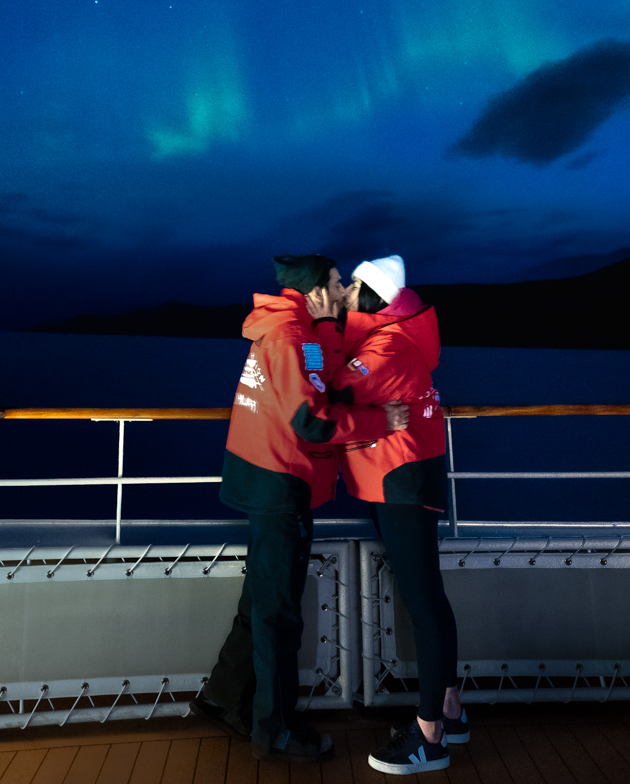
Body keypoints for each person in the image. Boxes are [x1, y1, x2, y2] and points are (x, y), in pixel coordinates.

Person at [192, 254, 409, 764]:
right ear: (314, 292)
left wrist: (333, 329)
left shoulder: (291, 329)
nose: (341, 290)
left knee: (261, 600)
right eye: (336, 284)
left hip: (264, 474)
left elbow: (320, 376)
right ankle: (277, 732)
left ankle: (223, 698)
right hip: (279, 482)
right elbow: (311, 419)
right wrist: (382, 421)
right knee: (279, 614)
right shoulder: (293, 339)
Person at [308, 254, 465, 776]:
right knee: (430, 599)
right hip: (402, 477)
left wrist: (321, 327)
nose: (347, 291)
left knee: (423, 603)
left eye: (353, 286)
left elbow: (328, 392)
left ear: (373, 296)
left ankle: (428, 740)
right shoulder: (391, 337)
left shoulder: (386, 346)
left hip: (400, 481)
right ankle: (449, 712)